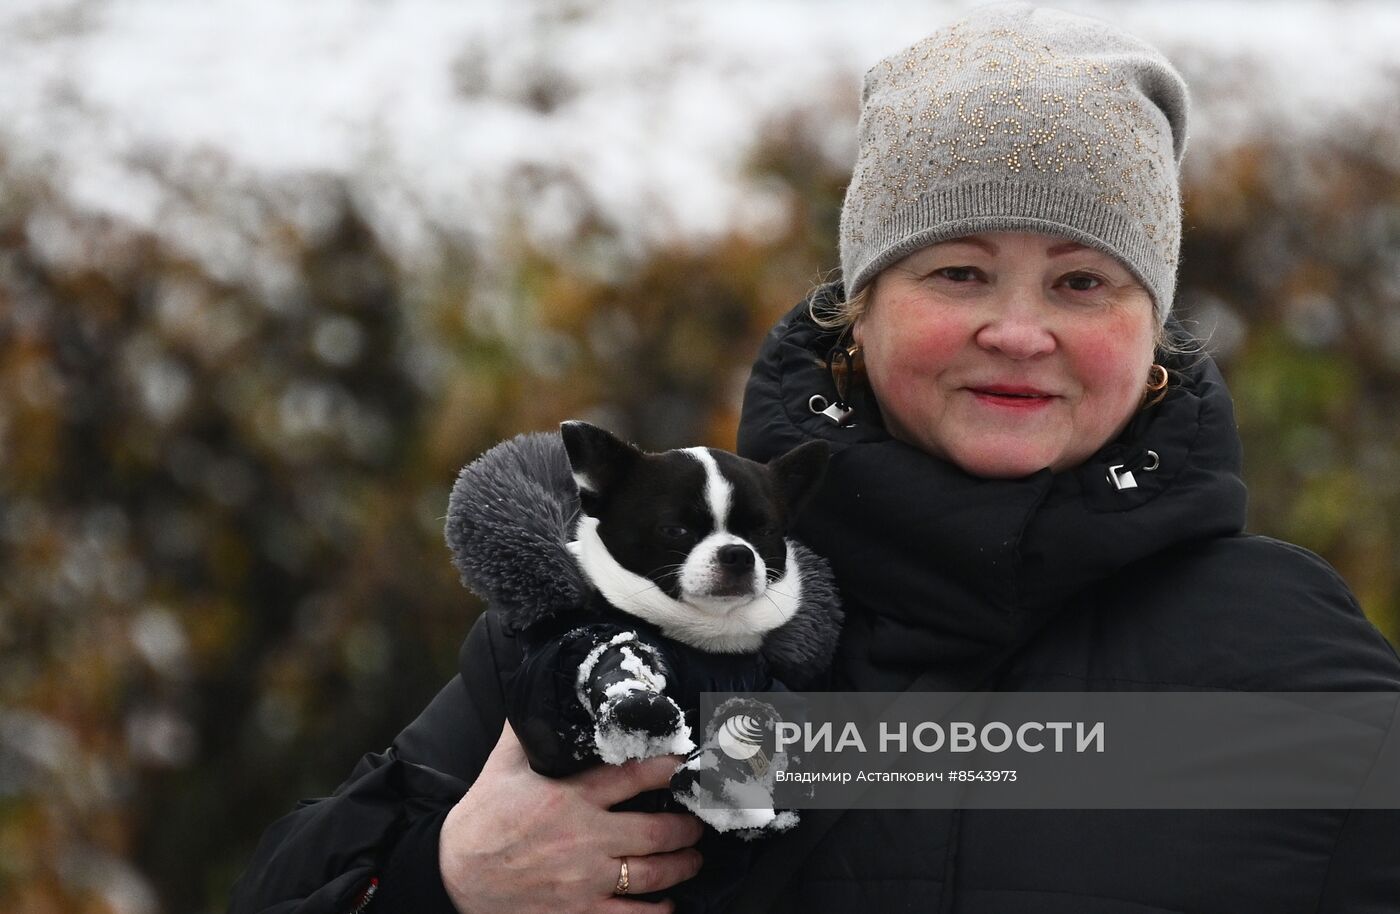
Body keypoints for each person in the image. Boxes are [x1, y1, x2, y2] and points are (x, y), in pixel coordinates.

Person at [229, 4, 1400, 913]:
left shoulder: (1285, 660)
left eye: (1082, 280)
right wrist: (452, 878)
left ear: (1152, 335)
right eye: (956, 271)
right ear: (860, 309)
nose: (1018, 328)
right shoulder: (614, 615)